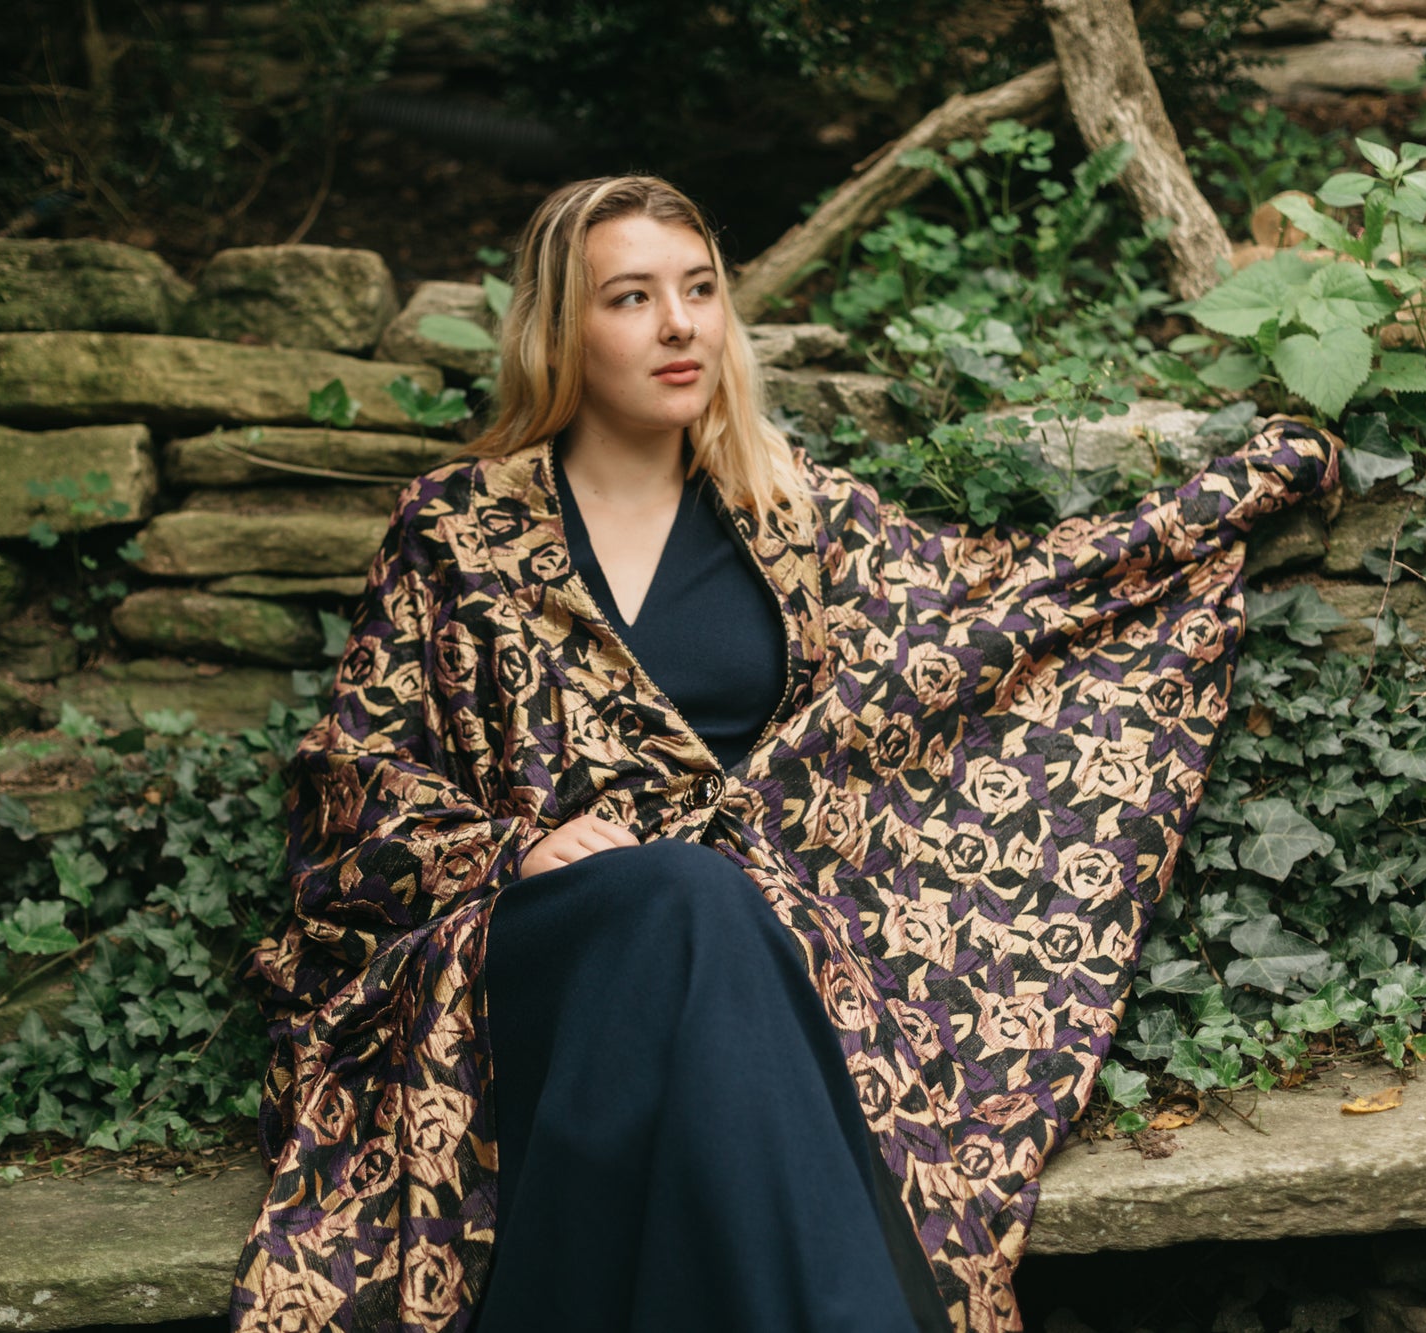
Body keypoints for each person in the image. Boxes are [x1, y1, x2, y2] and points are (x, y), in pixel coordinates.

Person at [228, 175, 1340, 1333]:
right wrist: (520, 845)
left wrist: (1232, 491)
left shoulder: (794, 512)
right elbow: (350, 787)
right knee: (678, 895)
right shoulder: (456, 528)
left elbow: (1007, 603)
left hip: (740, 945)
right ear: (558, 330)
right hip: (530, 944)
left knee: (703, 904)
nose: (680, 325)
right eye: (631, 298)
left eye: (700, 290)